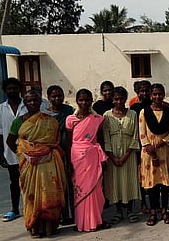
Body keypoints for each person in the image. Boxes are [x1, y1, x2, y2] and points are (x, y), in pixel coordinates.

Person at [6, 90, 66, 238]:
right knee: (31, 195)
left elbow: (55, 142)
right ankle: (35, 228)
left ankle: (50, 228)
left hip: (49, 164)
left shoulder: (50, 121)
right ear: (24, 103)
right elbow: (9, 141)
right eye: (29, 101)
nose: (32, 103)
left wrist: (41, 151)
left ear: (41, 102)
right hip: (29, 166)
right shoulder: (18, 121)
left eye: (35, 100)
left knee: (49, 194)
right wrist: (23, 153)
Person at [65, 89, 110, 232]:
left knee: (96, 190)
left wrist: (103, 158)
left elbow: (100, 140)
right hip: (76, 158)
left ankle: (96, 221)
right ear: (77, 101)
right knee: (80, 191)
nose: (84, 103)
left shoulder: (97, 119)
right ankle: (82, 223)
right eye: (81, 100)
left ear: (91, 101)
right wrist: (69, 163)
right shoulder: (70, 120)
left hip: (93, 158)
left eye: (87, 100)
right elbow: (68, 143)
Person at [103, 86, 141, 224]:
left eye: (121, 98)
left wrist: (126, 155)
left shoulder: (132, 114)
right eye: (116, 99)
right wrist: (112, 157)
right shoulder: (107, 115)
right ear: (112, 100)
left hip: (128, 153)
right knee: (115, 182)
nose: (119, 101)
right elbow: (105, 137)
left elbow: (135, 136)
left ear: (125, 99)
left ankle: (130, 210)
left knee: (129, 180)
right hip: (113, 153)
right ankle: (118, 211)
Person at [139, 83, 169, 226]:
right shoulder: (144, 112)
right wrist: (150, 149)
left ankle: (165, 210)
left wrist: (161, 143)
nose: (157, 97)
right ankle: (153, 212)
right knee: (152, 184)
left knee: (165, 185)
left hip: (165, 151)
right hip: (149, 153)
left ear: (164, 94)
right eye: (154, 94)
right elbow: (142, 133)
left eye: (160, 94)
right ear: (150, 95)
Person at [0, 77, 28, 222]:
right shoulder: (0, 109)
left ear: (20, 89)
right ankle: (15, 209)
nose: (12, 91)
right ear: (5, 90)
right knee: (14, 182)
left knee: (31, 181)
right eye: (9, 88)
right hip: (11, 152)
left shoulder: (28, 105)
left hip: (29, 152)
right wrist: (1, 155)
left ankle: (31, 208)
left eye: (15, 88)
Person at [43, 85, 75, 225]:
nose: (57, 98)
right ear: (49, 98)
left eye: (60, 95)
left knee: (69, 182)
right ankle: (60, 215)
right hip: (52, 154)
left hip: (68, 150)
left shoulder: (69, 111)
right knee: (56, 184)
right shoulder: (45, 115)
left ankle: (72, 214)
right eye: (54, 96)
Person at [130, 80, 152, 214]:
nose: (144, 93)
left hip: (153, 144)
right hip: (139, 144)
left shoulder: (155, 106)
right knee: (141, 175)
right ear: (137, 93)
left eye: (146, 91)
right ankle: (143, 203)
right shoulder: (134, 109)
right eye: (141, 91)